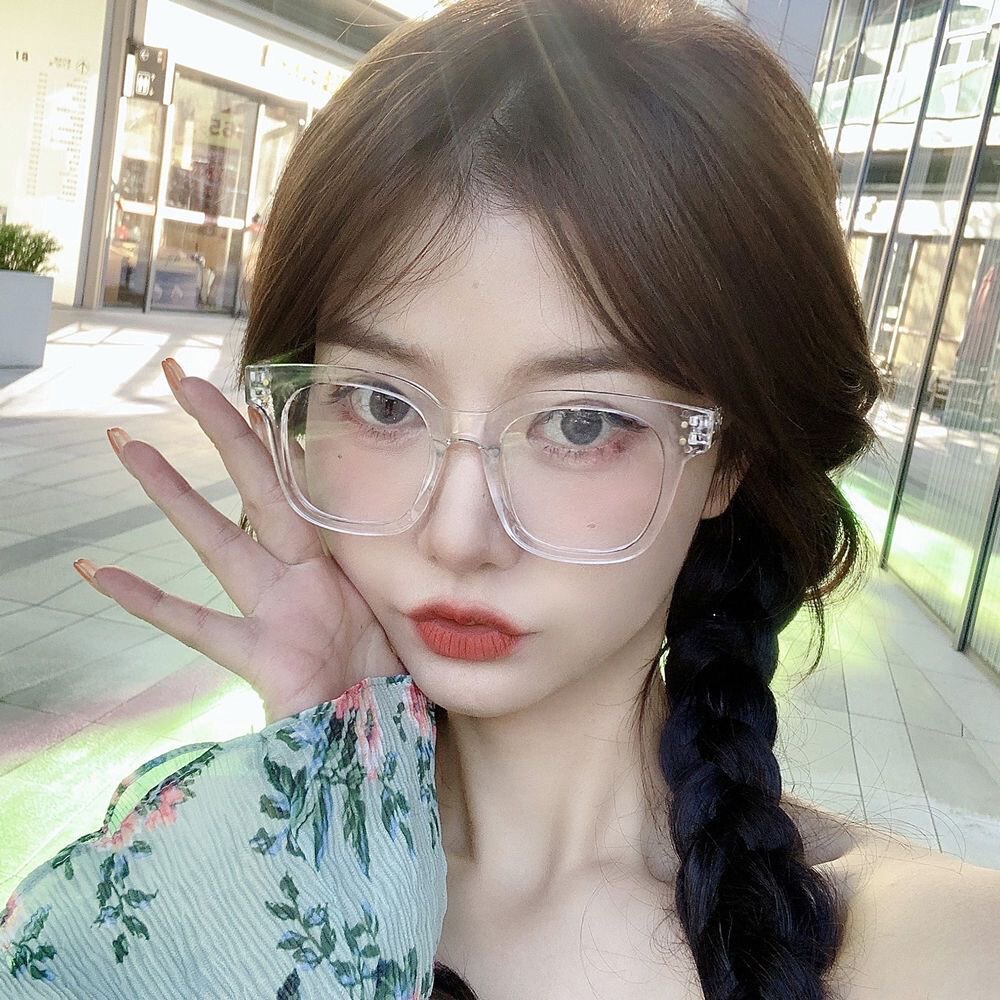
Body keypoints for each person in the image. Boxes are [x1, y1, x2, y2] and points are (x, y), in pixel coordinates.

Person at [2, 0, 998, 997]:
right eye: (383, 403)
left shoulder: (927, 953)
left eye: (580, 424)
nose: (457, 534)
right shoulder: (194, 875)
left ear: (729, 456)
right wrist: (335, 780)